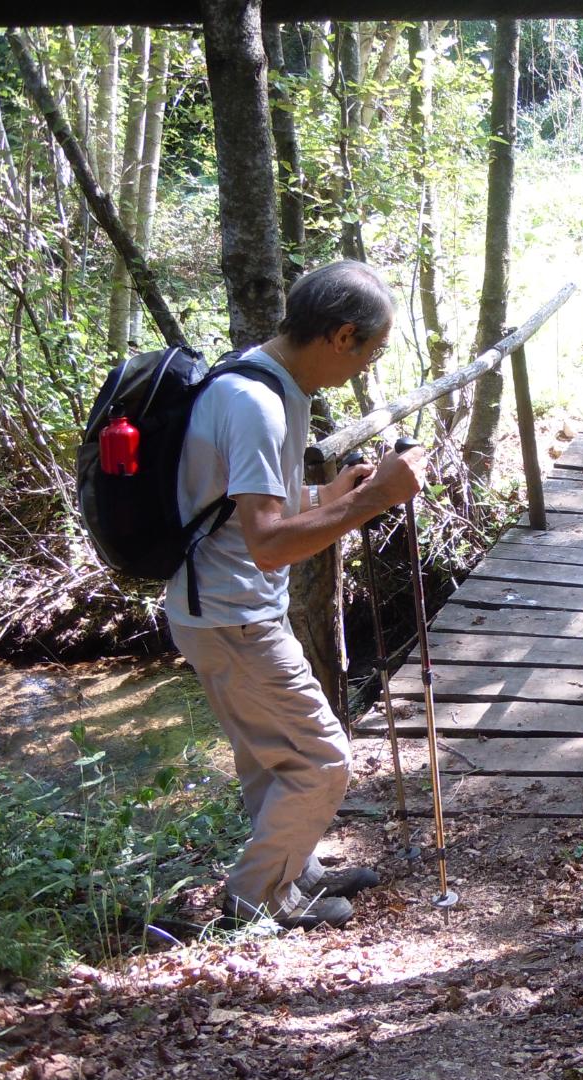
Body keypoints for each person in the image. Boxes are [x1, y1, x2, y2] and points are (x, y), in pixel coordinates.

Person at [166, 260, 428, 931]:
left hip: (227, 609)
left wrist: (334, 493)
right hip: (233, 615)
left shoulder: (268, 378)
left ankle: (295, 873)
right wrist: (373, 499)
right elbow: (270, 543)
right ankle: (254, 900)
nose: (369, 364)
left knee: (271, 757)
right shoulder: (255, 404)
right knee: (322, 761)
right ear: (342, 335)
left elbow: (249, 508)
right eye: (372, 349)